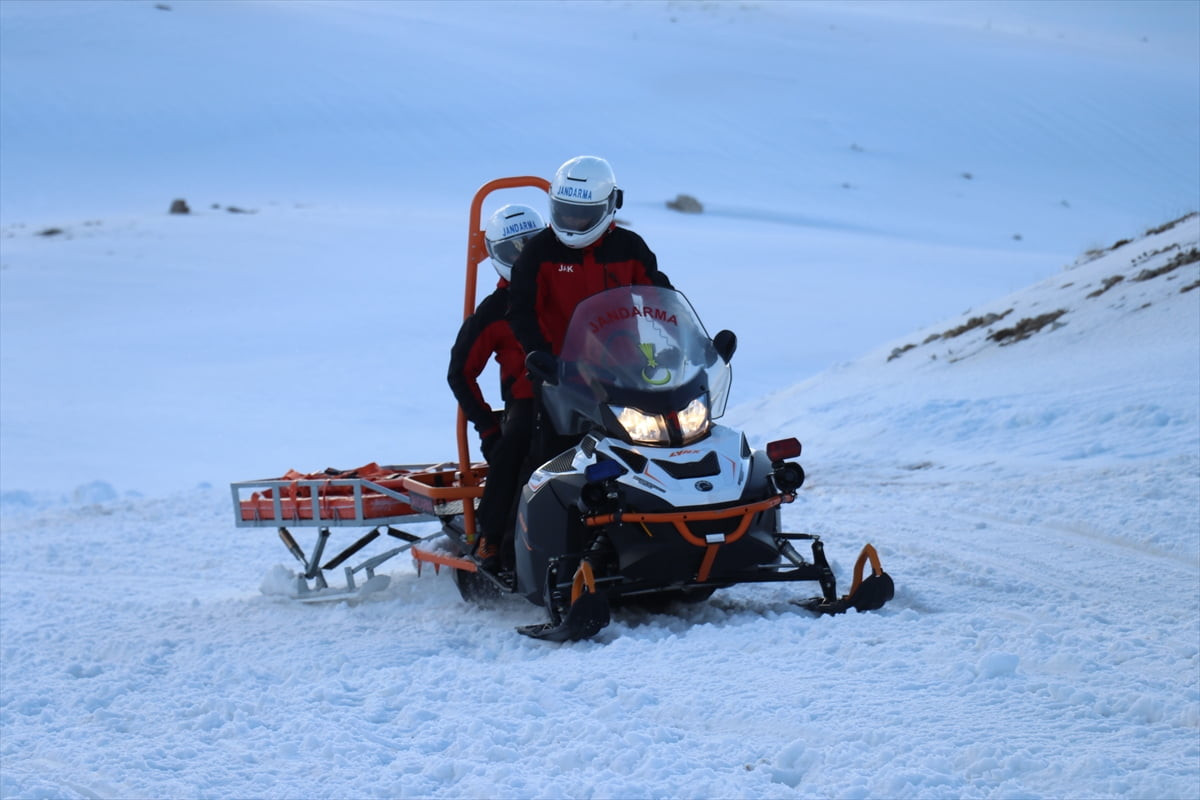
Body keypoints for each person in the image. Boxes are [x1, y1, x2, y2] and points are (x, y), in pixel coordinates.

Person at [508, 155, 674, 462]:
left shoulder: (629, 248)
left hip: (625, 377)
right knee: (550, 465)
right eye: (565, 213)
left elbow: (659, 296)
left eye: (582, 216)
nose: (572, 222)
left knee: (650, 455)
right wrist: (540, 354)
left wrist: (680, 342)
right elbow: (521, 309)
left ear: (609, 206)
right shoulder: (539, 252)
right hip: (560, 380)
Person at [447, 203, 545, 572]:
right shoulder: (495, 310)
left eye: (531, 246)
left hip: (586, 395)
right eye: (511, 250)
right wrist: (488, 429)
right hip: (529, 403)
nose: (521, 259)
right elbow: (460, 373)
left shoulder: (566, 293)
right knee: (513, 457)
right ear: (494, 255)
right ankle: (494, 540)